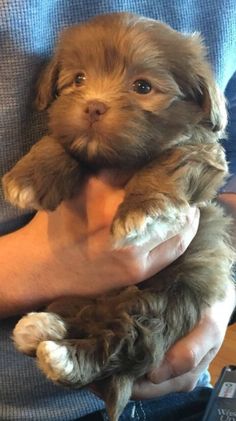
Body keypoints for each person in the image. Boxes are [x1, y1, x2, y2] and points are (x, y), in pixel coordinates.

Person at [0, 1, 235, 420]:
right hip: (18, 405)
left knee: (148, 318)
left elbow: (221, 158)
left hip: (178, 381)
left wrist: (221, 294)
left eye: (143, 87)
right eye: (79, 80)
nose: (95, 101)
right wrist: (32, 268)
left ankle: (92, 354)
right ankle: (75, 346)